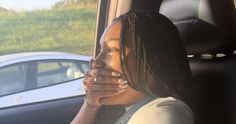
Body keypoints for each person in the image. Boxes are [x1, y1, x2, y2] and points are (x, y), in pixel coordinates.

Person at [71, 11, 194, 124]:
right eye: (100, 50)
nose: (96, 62)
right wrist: (91, 104)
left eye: (112, 49)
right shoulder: (133, 109)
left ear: (153, 60)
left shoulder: (161, 115)